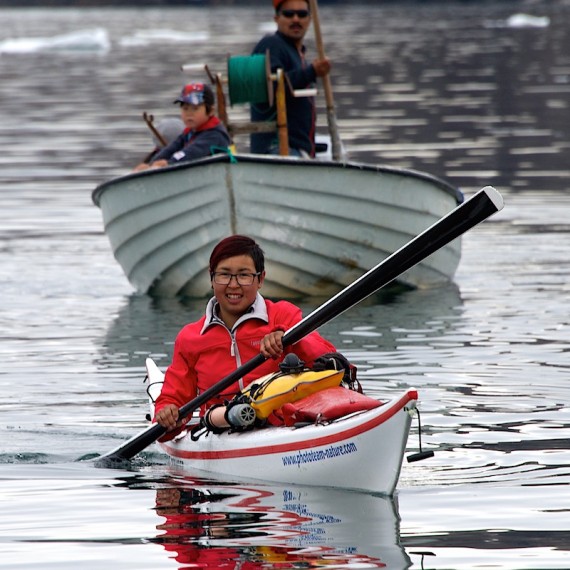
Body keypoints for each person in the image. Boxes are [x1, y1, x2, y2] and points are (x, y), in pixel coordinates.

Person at [153, 235, 350, 438]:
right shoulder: (190, 337)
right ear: (211, 279)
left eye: (244, 275)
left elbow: (329, 360)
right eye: (224, 275)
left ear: (260, 279)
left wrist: (287, 337)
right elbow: (173, 399)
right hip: (218, 430)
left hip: (284, 425)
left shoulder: (284, 316)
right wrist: (167, 413)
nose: (233, 285)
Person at [250, 0, 331, 158]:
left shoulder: (298, 54)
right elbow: (271, 88)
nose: (296, 19)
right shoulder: (272, 45)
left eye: (302, 14)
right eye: (289, 14)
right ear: (276, 18)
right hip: (277, 148)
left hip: (299, 149)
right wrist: (311, 72)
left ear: (309, 19)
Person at [133, 82, 231, 172]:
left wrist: (170, 163)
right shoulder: (188, 133)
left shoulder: (215, 134)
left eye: (195, 108)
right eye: (185, 108)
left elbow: (193, 151)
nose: (189, 114)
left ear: (211, 111)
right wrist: (150, 165)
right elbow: (171, 149)